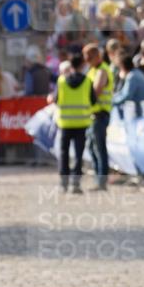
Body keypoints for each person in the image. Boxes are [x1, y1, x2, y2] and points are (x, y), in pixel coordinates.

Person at [51, 52, 95, 194]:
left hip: (65, 123)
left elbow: (56, 99)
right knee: (79, 154)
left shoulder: (62, 81)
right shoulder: (88, 81)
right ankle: (76, 183)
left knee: (64, 153)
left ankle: (63, 183)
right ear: (82, 66)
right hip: (81, 122)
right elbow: (93, 100)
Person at [83, 44, 113, 191]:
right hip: (92, 115)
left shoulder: (102, 71)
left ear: (97, 55)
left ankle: (101, 181)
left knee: (99, 148)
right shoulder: (93, 70)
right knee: (91, 147)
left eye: (89, 57)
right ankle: (98, 179)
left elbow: (96, 92)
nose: (86, 60)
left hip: (100, 114)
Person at [111, 54, 144, 119]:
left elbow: (127, 96)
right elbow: (123, 92)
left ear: (122, 66)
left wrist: (111, 102)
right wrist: (113, 98)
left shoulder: (132, 77)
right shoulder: (135, 73)